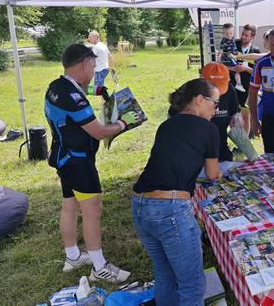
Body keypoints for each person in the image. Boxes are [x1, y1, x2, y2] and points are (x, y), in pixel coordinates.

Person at [44, 44, 136, 282]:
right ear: (84, 63)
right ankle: (99, 267)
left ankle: (73, 256)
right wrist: (124, 123)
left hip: (63, 156)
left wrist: (95, 91)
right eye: (93, 66)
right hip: (78, 161)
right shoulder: (73, 98)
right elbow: (99, 132)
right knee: (92, 210)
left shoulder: (58, 86)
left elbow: (75, 100)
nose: (94, 71)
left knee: (70, 205)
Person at [133, 78, 220, 305]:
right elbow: (212, 174)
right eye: (215, 103)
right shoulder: (209, 129)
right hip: (170, 210)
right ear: (200, 100)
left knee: (165, 275)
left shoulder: (166, 125)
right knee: (192, 286)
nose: (216, 109)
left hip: (140, 206)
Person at [196, 63, 242, 161]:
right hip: (198, 152)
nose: (218, 92)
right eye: (213, 87)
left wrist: (237, 118)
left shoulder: (230, 89)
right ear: (201, 80)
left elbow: (235, 112)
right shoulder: (191, 92)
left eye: (221, 86)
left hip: (221, 148)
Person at [233, 24, 264, 134]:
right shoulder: (234, 45)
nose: (243, 37)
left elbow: (257, 73)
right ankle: (235, 140)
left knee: (246, 116)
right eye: (242, 34)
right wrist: (234, 68)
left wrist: (245, 68)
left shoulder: (256, 51)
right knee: (232, 117)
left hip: (247, 87)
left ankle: (244, 143)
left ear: (253, 37)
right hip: (232, 86)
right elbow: (223, 62)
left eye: (246, 35)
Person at [218, 23, 245, 93]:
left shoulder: (233, 39)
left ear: (233, 32)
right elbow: (220, 50)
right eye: (226, 34)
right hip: (228, 58)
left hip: (234, 57)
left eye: (231, 33)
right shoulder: (224, 41)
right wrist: (219, 58)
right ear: (223, 33)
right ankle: (238, 84)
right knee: (237, 70)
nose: (229, 35)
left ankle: (233, 82)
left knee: (233, 70)